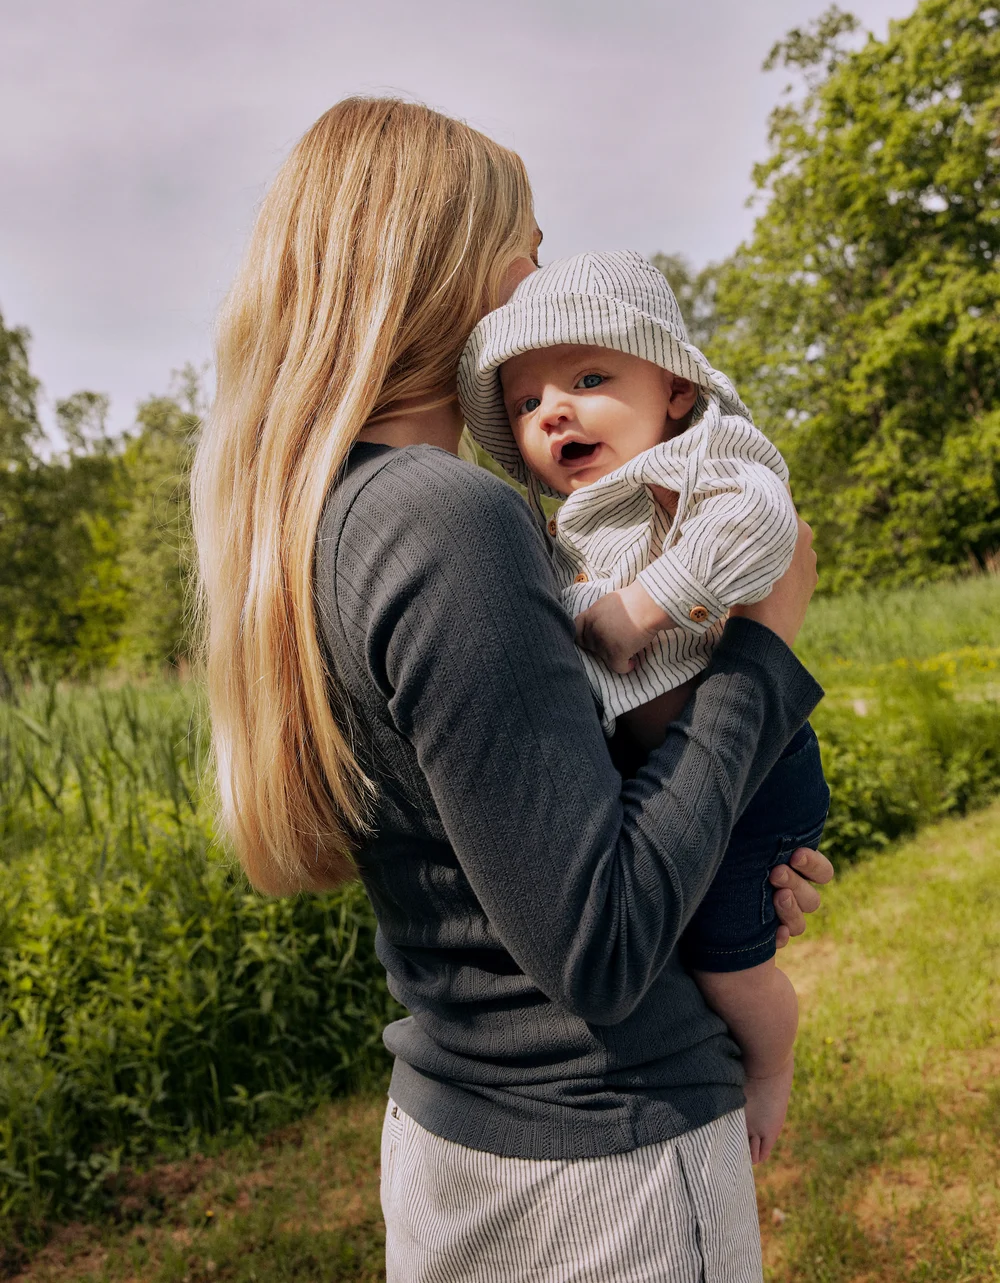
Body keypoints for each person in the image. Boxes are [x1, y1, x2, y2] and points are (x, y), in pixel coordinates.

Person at [191, 97, 833, 1283]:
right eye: (530, 254)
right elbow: (597, 943)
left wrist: (721, 859)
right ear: (450, 266)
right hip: (604, 1167)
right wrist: (761, 653)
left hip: (459, 1132)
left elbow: (525, 861)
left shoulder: (331, 523)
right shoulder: (452, 520)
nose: (544, 285)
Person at [458, 250, 831, 1165]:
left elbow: (765, 525)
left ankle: (772, 1060)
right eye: (526, 402)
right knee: (682, 933)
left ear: (672, 388)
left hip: (752, 768)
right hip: (671, 772)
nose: (554, 410)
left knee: (724, 957)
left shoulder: (702, 454)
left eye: (591, 377)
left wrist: (642, 607)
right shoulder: (560, 528)